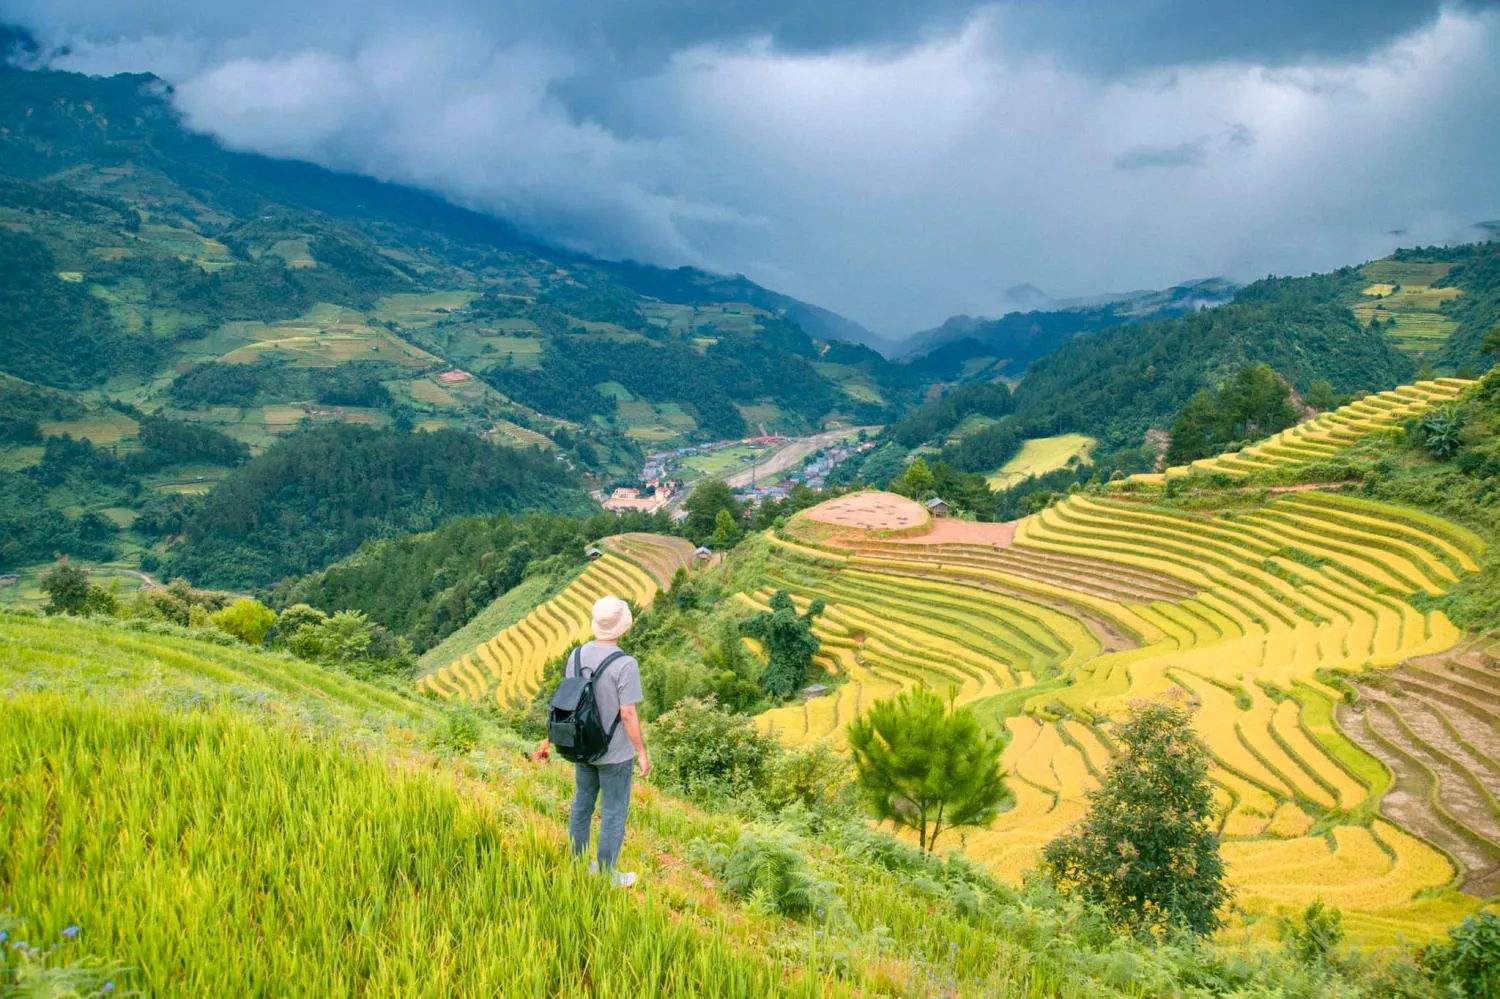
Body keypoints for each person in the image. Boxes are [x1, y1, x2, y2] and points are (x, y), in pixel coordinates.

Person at [532, 595, 651, 887]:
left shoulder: (576, 656)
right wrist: (642, 752)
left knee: (581, 804)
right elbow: (628, 714)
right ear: (622, 627)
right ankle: (608, 876)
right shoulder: (626, 664)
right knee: (613, 812)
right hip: (614, 754)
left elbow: (567, 700)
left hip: (581, 746)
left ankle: (578, 865)